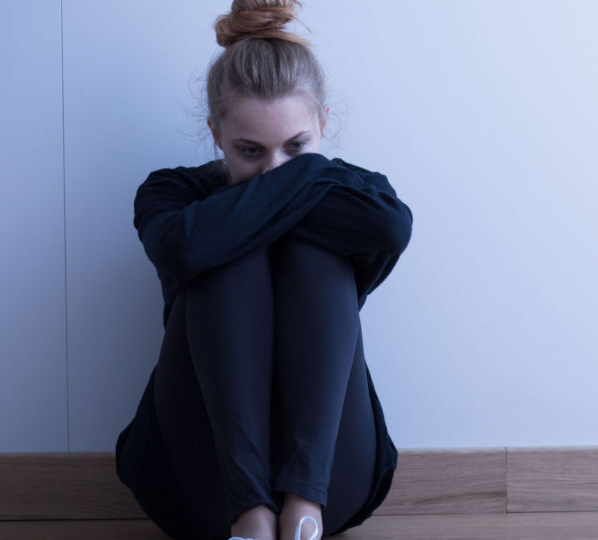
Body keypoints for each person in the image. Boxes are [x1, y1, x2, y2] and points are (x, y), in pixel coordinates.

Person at [113, 1, 413, 539]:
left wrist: (262, 191)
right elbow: (181, 249)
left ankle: (302, 507)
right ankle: (248, 514)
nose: (273, 170)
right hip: (194, 482)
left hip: (333, 480)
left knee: (300, 248)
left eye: (297, 148)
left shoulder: (362, 197)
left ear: (323, 123)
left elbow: (392, 229)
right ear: (215, 133)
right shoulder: (173, 192)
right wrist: (307, 176)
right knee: (219, 246)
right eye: (250, 151)